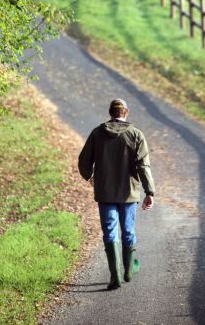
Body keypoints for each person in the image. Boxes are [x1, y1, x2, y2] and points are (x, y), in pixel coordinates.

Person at [78, 98, 155, 290]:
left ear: (110, 112)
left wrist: (90, 177)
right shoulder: (136, 134)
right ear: (126, 112)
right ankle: (129, 270)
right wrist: (149, 191)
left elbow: (83, 161)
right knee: (128, 230)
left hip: (105, 192)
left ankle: (115, 277)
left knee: (110, 232)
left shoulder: (97, 133)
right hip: (128, 192)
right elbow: (143, 166)